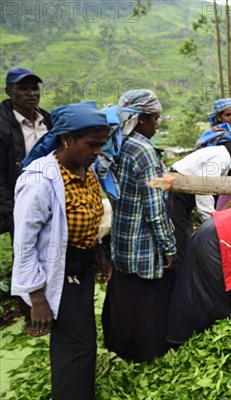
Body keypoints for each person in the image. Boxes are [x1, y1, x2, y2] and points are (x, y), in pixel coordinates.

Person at [12, 102, 113, 400]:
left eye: (101, 146)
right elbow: (24, 243)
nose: (97, 152)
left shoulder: (86, 171)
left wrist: (99, 255)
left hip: (80, 267)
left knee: (81, 338)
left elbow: (92, 216)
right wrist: (37, 297)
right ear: (67, 139)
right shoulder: (40, 181)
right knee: (76, 345)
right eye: (92, 145)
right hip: (57, 271)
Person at [102, 89, 177, 363]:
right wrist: (169, 248)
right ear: (141, 119)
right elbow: (155, 211)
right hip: (144, 246)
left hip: (121, 241)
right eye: (155, 119)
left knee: (125, 299)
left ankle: (121, 347)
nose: (157, 125)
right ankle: (146, 354)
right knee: (147, 303)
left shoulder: (117, 144)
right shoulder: (144, 151)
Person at [167, 206, 231, 346]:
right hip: (216, 238)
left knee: (197, 289)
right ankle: (181, 340)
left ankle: (183, 338)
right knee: (217, 297)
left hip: (217, 230)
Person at [170, 131, 231, 264]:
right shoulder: (220, 158)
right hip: (177, 194)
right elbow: (204, 191)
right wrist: (213, 223)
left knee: (185, 238)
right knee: (182, 242)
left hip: (183, 194)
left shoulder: (222, 157)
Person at [0, 67, 51, 237]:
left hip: (50, 199)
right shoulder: (3, 125)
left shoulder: (47, 121)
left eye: (34, 88)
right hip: (20, 203)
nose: (31, 93)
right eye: (23, 89)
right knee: (25, 255)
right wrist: (11, 212)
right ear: (9, 91)